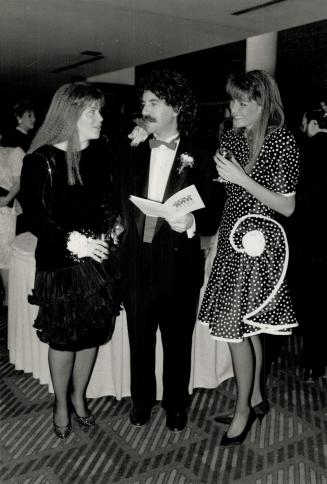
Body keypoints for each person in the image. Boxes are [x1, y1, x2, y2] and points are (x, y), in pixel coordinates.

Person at [117, 68, 223, 432]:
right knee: (139, 339)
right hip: (136, 261)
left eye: (154, 102)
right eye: (144, 102)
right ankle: (142, 401)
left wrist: (191, 224)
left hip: (179, 263)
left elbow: (213, 211)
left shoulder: (203, 153)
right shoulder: (130, 148)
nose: (145, 109)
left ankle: (177, 405)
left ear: (175, 107)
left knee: (178, 342)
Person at [198, 70, 300, 447]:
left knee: (233, 329)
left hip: (259, 243)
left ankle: (242, 410)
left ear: (263, 104)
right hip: (230, 240)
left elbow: (286, 207)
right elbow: (227, 198)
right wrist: (215, 240)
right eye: (232, 100)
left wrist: (242, 179)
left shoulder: (282, 141)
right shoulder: (231, 137)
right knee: (246, 327)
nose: (234, 108)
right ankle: (255, 400)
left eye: (244, 102)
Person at [20, 82, 122, 439]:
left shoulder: (98, 151)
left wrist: (114, 223)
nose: (100, 117)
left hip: (97, 261)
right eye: (92, 111)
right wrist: (75, 243)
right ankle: (61, 402)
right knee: (64, 339)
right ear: (70, 114)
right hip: (61, 264)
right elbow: (37, 219)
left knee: (91, 333)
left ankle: (79, 397)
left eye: (99, 110)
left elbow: (108, 199)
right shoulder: (40, 160)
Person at [292, 105, 327, 381]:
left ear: (313, 123)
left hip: (312, 239)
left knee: (314, 302)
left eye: (304, 122)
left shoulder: (307, 152)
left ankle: (313, 363)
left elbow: (298, 199)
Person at [0, 143, 25, 305]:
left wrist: (7, 199)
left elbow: (18, 182)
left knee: (4, 256)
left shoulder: (12, 153)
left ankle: (9, 301)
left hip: (3, 212)